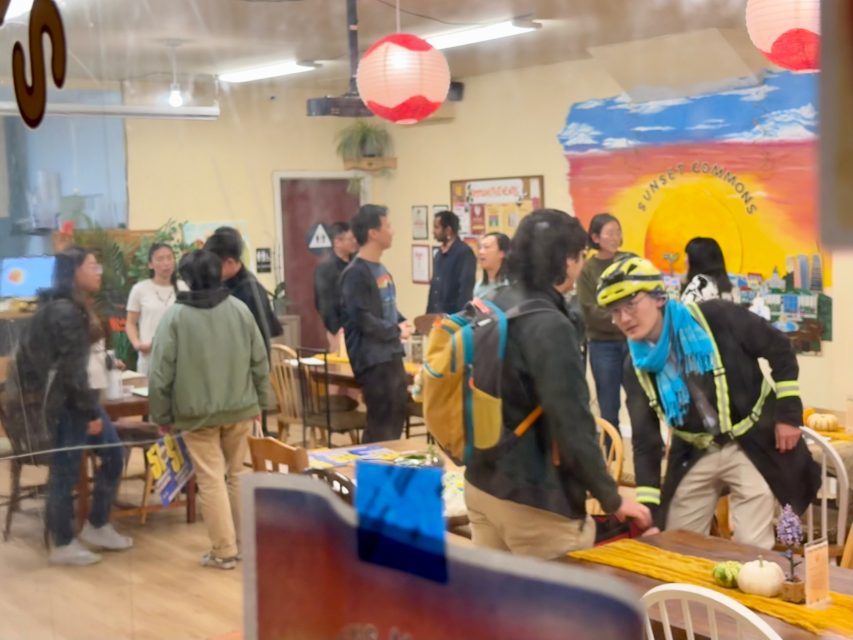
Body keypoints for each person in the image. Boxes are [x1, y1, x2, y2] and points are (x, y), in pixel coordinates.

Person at [464, 209, 652, 559]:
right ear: (567, 261)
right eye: (580, 256)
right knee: (561, 594)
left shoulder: (492, 304)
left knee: (497, 593)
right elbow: (572, 422)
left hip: (480, 482)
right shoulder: (549, 324)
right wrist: (611, 498)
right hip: (533, 499)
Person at [596, 257, 820, 549]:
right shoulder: (635, 366)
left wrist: (788, 414)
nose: (624, 318)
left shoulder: (718, 317)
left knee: (751, 546)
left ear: (659, 297)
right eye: (615, 312)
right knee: (677, 544)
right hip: (693, 451)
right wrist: (648, 508)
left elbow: (780, 348)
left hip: (752, 441)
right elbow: (645, 439)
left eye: (631, 305)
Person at [6, 247, 132, 565]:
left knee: (113, 455)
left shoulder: (68, 306)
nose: (99, 271)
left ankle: (97, 524)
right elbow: (69, 370)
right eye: (92, 266)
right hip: (65, 403)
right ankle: (62, 541)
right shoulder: (65, 312)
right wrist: (89, 412)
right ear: (74, 271)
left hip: (75, 398)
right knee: (66, 469)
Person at [148, 249, 270, 569]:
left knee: (211, 479)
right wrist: (262, 403)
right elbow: (260, 360)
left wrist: (162, 416)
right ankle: (245, 545)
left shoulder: (175, 317)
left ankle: (224, 550)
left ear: (186, 279)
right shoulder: (240, 310)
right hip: (241, 408)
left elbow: (160, 374)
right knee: (239, 474)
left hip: (195, 415)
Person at [339, 204, 410, 443]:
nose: (392, 231)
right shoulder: (355, 274)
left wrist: (402, 322)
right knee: (380, 426)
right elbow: (362, 318)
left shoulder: (381, 269)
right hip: (373, 361)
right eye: (387, 226)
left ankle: (388, 466)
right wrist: (395, 330)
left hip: (391, 355)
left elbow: (386, 307)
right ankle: (370, 467)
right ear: (373, 233)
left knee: (395, 420)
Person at [576, 213, 632, 437]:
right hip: (603, 345)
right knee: (609, 408)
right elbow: (590, 311)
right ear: (595, 238)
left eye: (618, 232)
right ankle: (611, 454)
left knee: (641, 403)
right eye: (610, 233)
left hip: (633, 343)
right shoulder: (587, 269)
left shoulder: (630, 261)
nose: (615, 237)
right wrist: (626, 318)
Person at [203, 227, 283, 351]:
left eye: (214, 266)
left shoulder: (251, 292)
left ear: (230, 262)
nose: (210, 271)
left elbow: (258, 339)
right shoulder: (222, 284)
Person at [126, 242, 186, 374]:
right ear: (150, 264)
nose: (166, 263)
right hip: (150, 356)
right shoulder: (140, 289)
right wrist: (137, 344)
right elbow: (130, 323)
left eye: (169, 258)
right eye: (160, 259)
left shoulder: (184, 288)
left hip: (179, 357)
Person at [314, 222, 358, 352]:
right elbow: (322, 303)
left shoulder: (357, 264)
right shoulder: (326, 268)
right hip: (340, 330)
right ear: (337, 242)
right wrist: (336, 329)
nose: (354, 242)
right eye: (350, 239)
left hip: (360, 327)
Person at [426, 210, 477, 314]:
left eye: (437, 227)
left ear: (448, 230)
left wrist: (460, 317)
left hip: (453, 316)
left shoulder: (464, 253)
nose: (433, 231)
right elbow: (434, 288)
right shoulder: (439, 254)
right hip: (436, 316)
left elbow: (465, 289)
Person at [681, 237, 735, 304]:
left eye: (687, 256)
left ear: (696, 260)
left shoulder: (699, 283)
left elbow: (684, 309)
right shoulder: (732, 287)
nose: (685, 260)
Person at [473, 232, 510, 299]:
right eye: (480, 248)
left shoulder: (510, 284)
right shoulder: (479, 286)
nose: (480, 252)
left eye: (486, 247)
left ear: (502, 253)